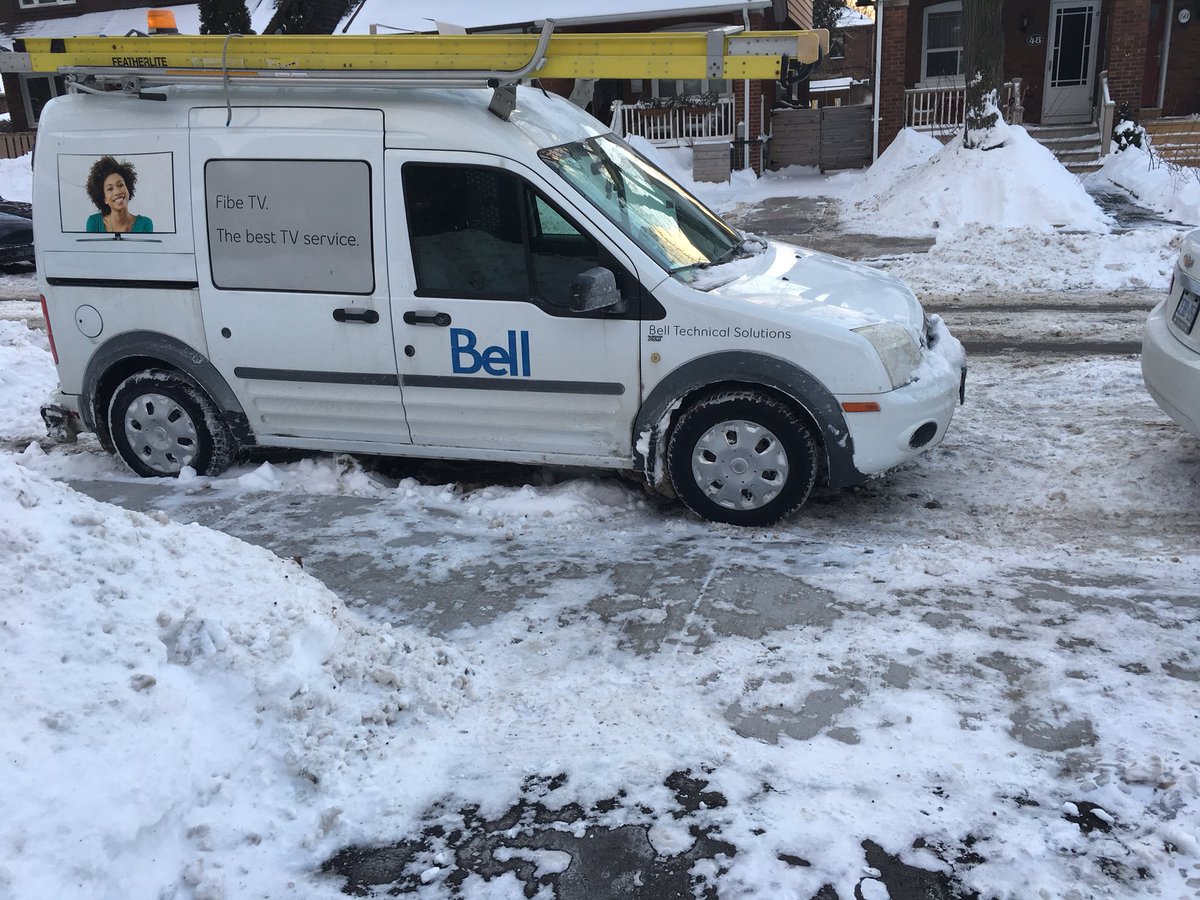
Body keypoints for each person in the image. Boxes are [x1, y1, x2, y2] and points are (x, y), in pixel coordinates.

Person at [85, 156, 153, 233]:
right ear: (104, 198)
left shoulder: (145, 224)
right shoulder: (94, 223)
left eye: (120, 185)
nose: (117, 192)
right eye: (110, 189)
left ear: (128, 188)